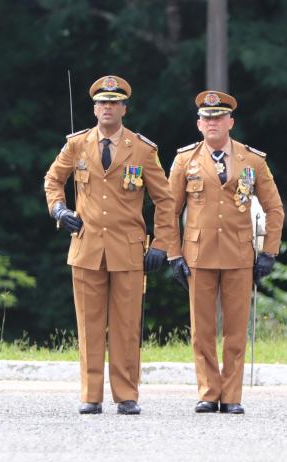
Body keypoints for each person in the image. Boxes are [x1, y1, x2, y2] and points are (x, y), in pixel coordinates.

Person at [43, 75, 179, 415]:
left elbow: (166, 201)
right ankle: (91, 395)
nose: (107, 108)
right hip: (87, 247)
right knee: (89, 326)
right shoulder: (77, 145)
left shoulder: (143, 150)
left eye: (113, 103)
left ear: (123, 109)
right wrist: (60, 210)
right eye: (102, 103)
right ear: (94, 108)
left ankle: (126, 394)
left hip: (128, 249)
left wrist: (162, 243)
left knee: (126, 325)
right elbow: (52, 180)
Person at [167, 90, 284, 414]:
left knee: (235, 329)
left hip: (238, 254)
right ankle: (208, 391)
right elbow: (168, 211)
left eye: (219, 118)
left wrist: (268, 252)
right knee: (201, 329)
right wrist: (174, 254)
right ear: (199, 124)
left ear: (230, 122)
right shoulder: (185, 160)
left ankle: (231, 394)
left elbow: (274, 209)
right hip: (198, 254)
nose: (213, 123)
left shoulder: (252, 160)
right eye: (207, 118)